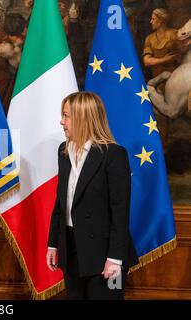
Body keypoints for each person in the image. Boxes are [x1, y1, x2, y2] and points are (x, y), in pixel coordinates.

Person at [46, 92, 139, 300]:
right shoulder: (64, 151)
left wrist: (114, 258)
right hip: (72, 249)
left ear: (82, 117)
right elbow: (61, 203)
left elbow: (120, 210)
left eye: (66, 115)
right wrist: (53, 243)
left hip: (105, 255)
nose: (62, 121)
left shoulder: (114, 155)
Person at [143, 8, 180, 152]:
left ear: (161, 20)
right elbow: (147, 61)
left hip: (175, 80)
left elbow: (180, 55)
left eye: (153, 18)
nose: (150, 21)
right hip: (158, 82)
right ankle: (163, 151)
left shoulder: (174, 34)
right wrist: (165, 59)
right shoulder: (149, 39)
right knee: (160, 118)